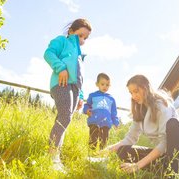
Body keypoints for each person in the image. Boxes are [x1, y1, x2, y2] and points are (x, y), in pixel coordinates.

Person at [105, 74, 179, 177]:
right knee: (122, 150)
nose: (133, 96)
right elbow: (130, 138)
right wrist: (107, 150)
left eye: (136, 91)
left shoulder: (162, 105)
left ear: (146, 88)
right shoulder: (139, 110)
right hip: (165, 155)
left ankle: (171, 175)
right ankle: (163, 170)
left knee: (172, 123)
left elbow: (165, 142)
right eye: (131, 93)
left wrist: (137, 165)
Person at [43, 18, 92, 172]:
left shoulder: (80, 54)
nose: (82, 40)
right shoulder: (62, 42)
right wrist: (60, 67)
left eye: (86, 38)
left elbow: (79, 78)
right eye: (80, 35)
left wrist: (81, 96)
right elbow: (48, 53)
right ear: (71, 31)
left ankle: (54, 154)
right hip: (61, 83)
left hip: (75, 88)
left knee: (64, 119)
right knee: (65, 116)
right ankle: (52, 156)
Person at [83, 73, 120, 152]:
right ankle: (91, 156)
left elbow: (114, 112)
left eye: (107, 85)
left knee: (103, 142)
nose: (105, 87)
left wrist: (116, 122)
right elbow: (87, 105)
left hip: (106, 124)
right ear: (97, 84)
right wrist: (86, 110)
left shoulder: (111, 99)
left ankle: (101, 157)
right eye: (102, 84)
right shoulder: (92, 95)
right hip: (94, 122)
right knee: (93, 141)